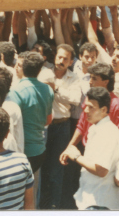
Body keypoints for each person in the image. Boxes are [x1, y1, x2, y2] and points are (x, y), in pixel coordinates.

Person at [65, 87, 119, 210]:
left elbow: (101, 170)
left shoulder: (107, 132)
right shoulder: (96, 128)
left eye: (91, 107)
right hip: (92, 200)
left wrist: (76, 156)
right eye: (86, 106)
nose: (86, 110)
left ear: (104, 110)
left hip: (100, 203)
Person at [41, 44, 82, 209]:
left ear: (71, 61)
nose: (61, 61)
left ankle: (55, 207)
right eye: (59, 57)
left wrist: (55, 88)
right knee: (42, 168)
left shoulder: (74, 78)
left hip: (61, 127)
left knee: (57, 169)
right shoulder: (44, 73)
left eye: (66, 59)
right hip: (43, 126)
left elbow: (75, 99)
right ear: (55, 57)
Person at [6, 52, 54, 173]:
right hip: (39, 150)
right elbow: (48, 120)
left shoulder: (15, 91)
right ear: (40, 69)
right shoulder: (48, 89)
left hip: (21, 151)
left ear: (23, 67)